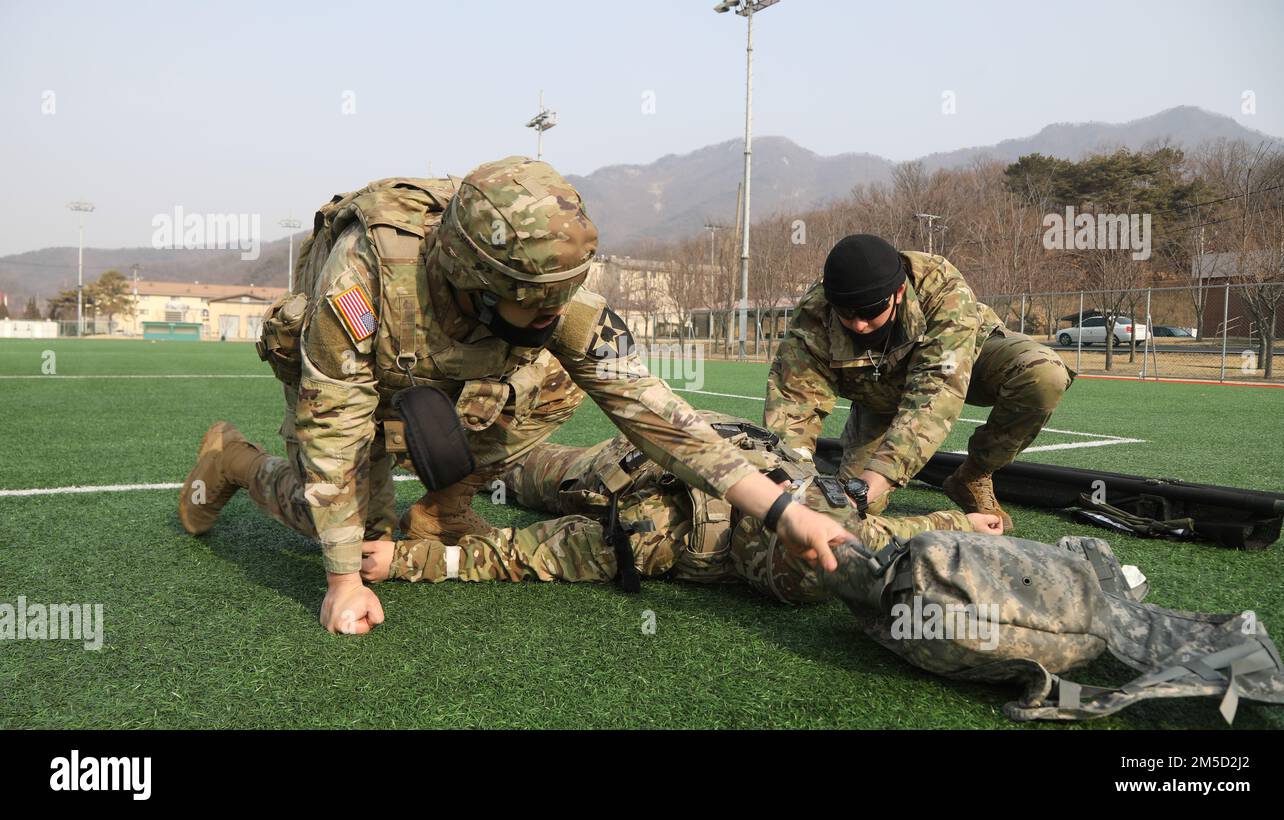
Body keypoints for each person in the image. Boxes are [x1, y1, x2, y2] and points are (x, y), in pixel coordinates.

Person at [178, 156, 855, 633]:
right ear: (477, 281)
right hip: (352, 386)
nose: (554, 317)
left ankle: (444, 512)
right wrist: (341, 582)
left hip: (447, 373)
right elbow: (333, 432)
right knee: (349, 532)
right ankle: (232, 458)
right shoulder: (362, 279)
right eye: (537, 308)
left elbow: (652, 413)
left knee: (556, 376)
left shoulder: (549, 285)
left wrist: (781, 511)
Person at [358, 412, 1003, 604]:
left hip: (652, 471)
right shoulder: (664, 531)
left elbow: (893, 527)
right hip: (627, 463)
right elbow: (529, 553)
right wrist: (413, 558)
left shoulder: (821, 515)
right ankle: (392, 443)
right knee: (523, 468)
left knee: (530, 474)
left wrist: (959, 523)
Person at [764, 234, 1074, 532]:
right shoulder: (814, 314)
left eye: (871, 311)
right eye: (846, 313)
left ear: (898, 293)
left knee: (1042, 373)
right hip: (879, 394)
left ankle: (975, 474)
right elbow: (793, 406)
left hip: (963, 362)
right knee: (852, 509)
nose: (859, 324)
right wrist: (794, 484)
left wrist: (877, 478)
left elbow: (935, 392)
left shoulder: (940, 286)